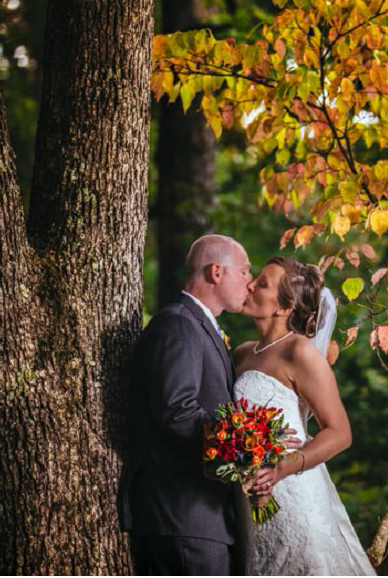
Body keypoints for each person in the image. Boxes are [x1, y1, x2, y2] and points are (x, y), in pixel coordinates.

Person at [118, 235, 301, 575]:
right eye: (245, 271)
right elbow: (177, 409)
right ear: (216, 272)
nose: (249, 283)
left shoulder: (200, 326)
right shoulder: (178, 323)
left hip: (202, 516)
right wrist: (250, 446)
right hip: (181, 513)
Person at [232, 256, 376, 575]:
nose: (250, 284)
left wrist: (282, 469)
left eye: (263, 284)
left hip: (291, 490)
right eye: (255, 278)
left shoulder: (299, 352)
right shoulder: (242, 353)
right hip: (247, 492)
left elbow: (339, 433)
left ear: (284, 308)